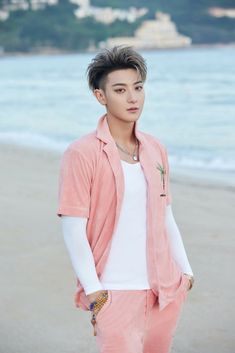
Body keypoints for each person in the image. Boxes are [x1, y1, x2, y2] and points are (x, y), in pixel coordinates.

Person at [57, 45, 194, 353]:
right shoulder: (81, 153)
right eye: (120, 90)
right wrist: (95, 292)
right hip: (114, 292)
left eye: (138, 87)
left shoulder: (155, 148)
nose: (133, 98)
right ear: (100, 96)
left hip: (164, 291)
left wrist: (186, 273)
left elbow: (165, 215)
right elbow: (73, 228)